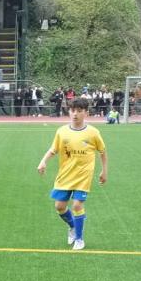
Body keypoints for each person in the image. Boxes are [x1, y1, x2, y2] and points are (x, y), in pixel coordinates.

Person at [36, 97, 109, 251]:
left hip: (83, 175)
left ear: (86, 113)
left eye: (79, 111)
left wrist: (104, 170)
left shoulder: (93, 132)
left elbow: (102, 152)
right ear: (68, 111)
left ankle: (79, 239)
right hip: (65, 174)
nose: (75, 114)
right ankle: (72, 226)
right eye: (72, 110)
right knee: (60, 207)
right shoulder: (62, 132)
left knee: (76, 205)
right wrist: (43, 161)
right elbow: (53, 149)